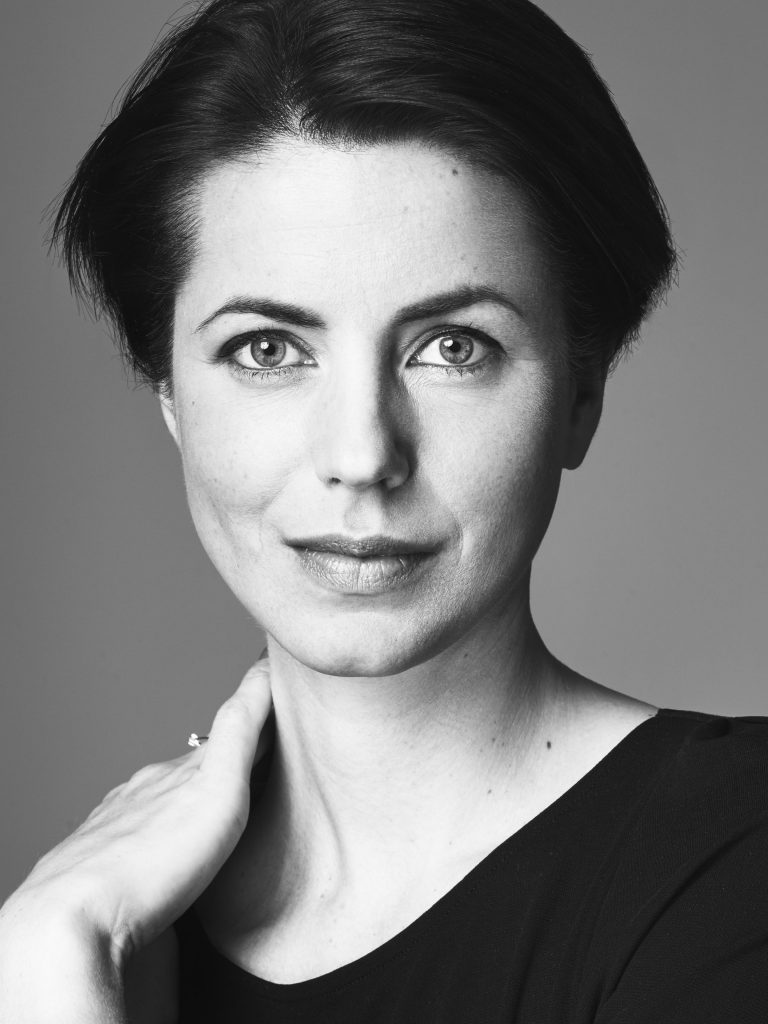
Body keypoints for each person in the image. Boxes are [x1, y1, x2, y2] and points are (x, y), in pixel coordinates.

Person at [1, 0, 766, 1021]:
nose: (362, 456)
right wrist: (50, 947)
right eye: (268, 350)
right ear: (171, 397)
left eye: (453, 347)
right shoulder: (97, 926)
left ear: (581, 393)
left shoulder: (736, 866)